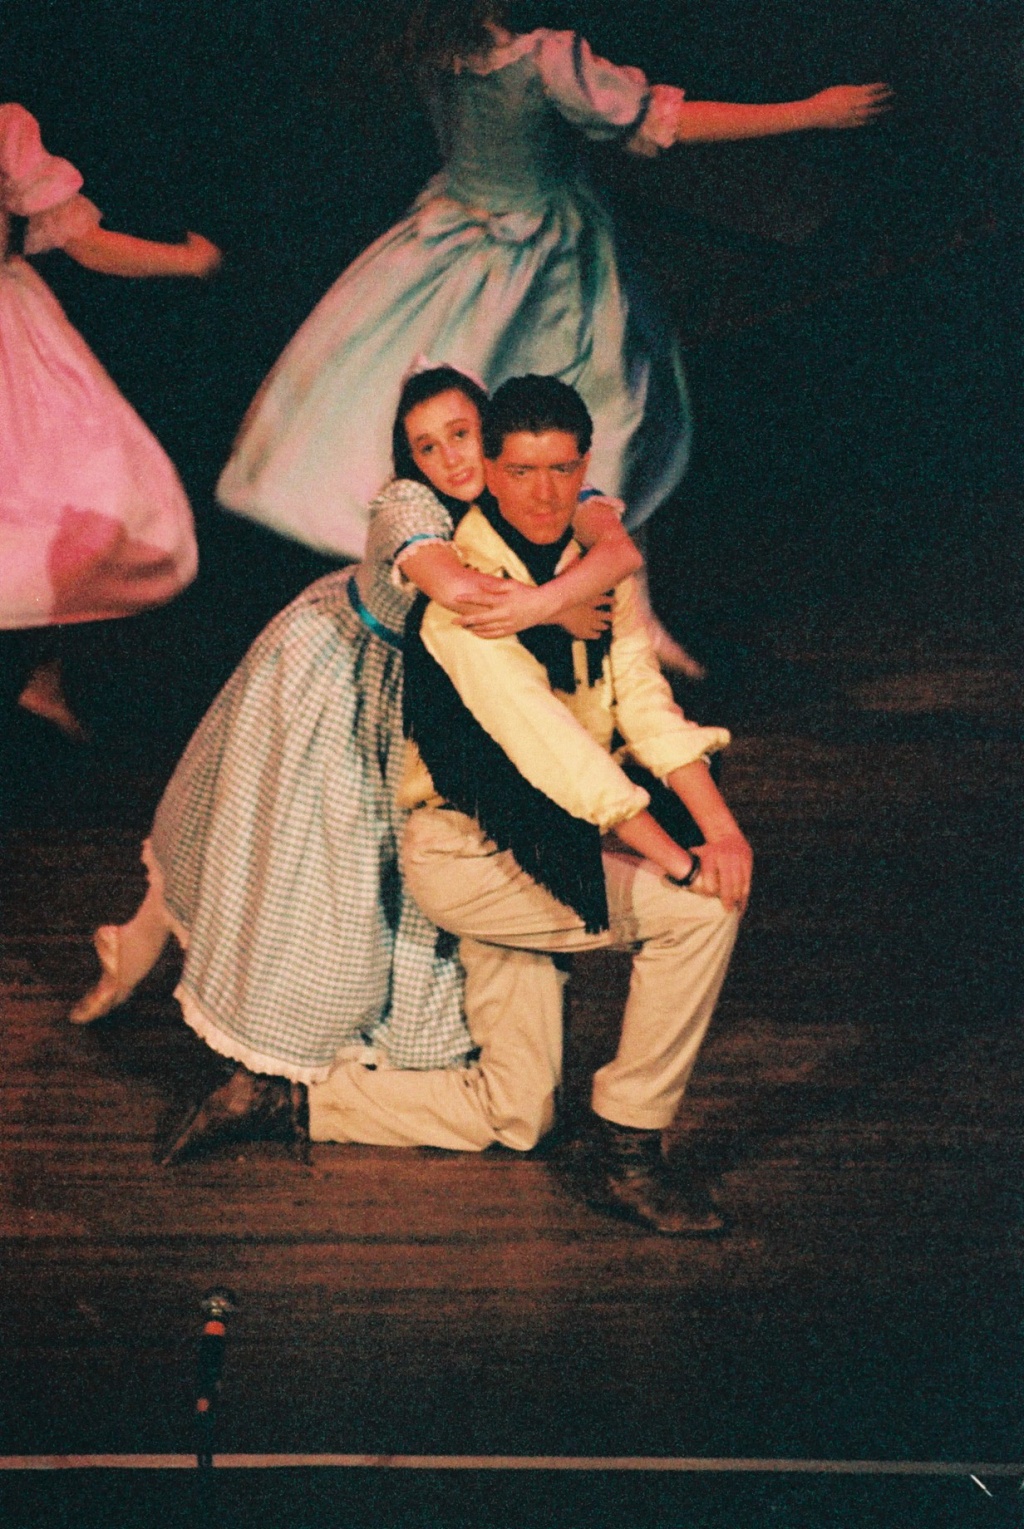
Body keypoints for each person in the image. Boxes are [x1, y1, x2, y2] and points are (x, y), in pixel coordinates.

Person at [191, 375, 753, 1236]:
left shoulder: (592, 560)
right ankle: (630, 1149)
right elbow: (560, 757)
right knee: (698, 914)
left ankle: (294, 1101)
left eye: (562, 471)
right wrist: (679, 861)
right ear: (489, 471)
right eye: (521, 472)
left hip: (539, 847)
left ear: (586, 470)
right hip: (474, 856)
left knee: (517, 1114)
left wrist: (722, 830)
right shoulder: (466, 604)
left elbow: (644, 705)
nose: (544, 494)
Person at [70, 367, 641, 1150]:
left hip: (437, 694)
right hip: (347, 674)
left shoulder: (524, 480)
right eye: (427, 446)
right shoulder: (406, 507)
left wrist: (562, 588)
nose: (449, 457)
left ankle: (347, 1060)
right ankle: (197, 995)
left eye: (461, 434)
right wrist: (555, 606)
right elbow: (454, 589)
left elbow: (617, 547)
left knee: (398, 882)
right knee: (306, 872)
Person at [215, 1, 889, 662]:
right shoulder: (544, 58)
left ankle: (600, 612)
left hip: (455, 238)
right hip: (541, 263)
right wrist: (809, 112)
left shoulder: (437, 50)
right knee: (600, 420)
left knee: (532, 425)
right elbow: (662, 123)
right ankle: (558, 614)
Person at [0, 103, 221, 737]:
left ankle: (35, 669)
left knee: (72, 506)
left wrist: (185, 260)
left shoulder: (6, 128)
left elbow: (88, 245)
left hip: (17, 346)